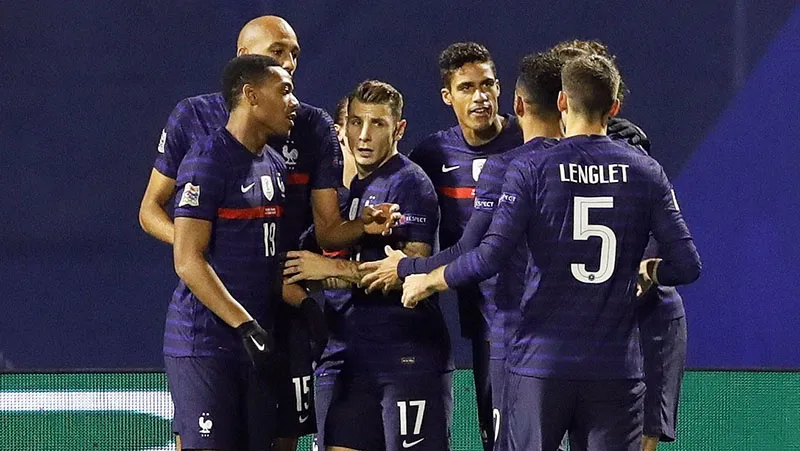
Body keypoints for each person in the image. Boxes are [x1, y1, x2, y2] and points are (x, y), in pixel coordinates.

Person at [402, 54, 701, 451]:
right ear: (613, 108)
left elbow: (488, 255)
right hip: (614, 369)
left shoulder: (531, 169)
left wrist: (429, 279)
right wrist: (650, 272)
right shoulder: (645, 171)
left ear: (562, 102)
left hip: (542, 364)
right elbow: (687, 265)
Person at [138, 16, 398, 450]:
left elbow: (328, 230)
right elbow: (154, 215)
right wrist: (207, 255)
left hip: (280, 315)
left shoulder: (301, 135)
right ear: (246, 70)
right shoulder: (197, 128)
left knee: (277, 439)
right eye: (278, 52)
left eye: (294, 53)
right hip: (216, 319)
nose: (291, 63)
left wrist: (360, 227)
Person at [283, 80, 453, 451]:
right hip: (346, 355)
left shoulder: (409, 184)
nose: (363, 135)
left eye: (377, 124)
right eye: (357, 122)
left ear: (399, 129)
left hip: (404, 354)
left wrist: (324, 270)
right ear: (342, 128)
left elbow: (413, 272)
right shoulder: (344, 195)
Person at [164, 54, 296, 451]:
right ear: (252, 96)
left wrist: (302, 307)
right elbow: (188, 260)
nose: (294, 102)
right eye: (285, 91)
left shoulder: (274, 164)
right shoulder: (207, 159)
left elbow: (269, 256)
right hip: (205, 345)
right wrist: (245, 327)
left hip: (256, 346)